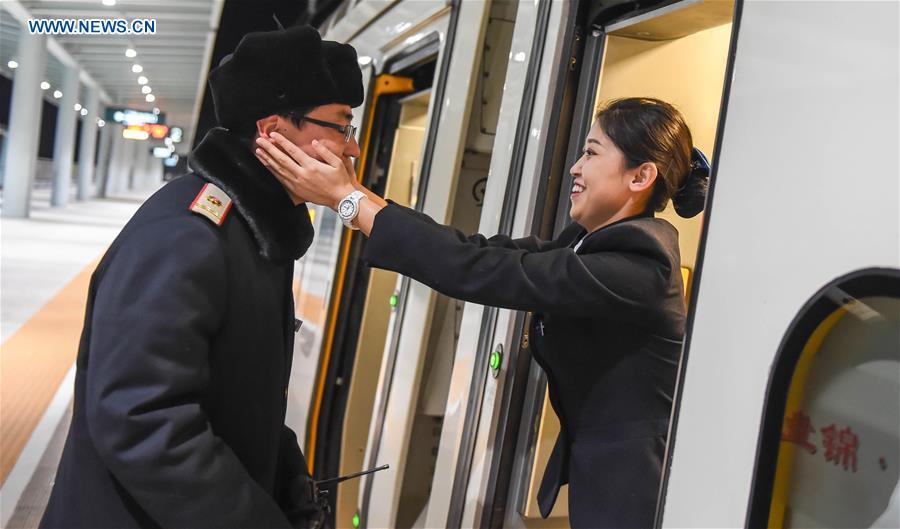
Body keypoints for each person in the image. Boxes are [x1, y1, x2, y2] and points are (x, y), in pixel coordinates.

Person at [253, 97, 710, 528]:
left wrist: (346, 201)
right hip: (610, 479)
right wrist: (356, 195)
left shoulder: (640, 266)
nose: (575, 167)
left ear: (640, 176)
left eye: (591, 153)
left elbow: (479, 270)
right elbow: (475, 250)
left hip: (636, 491)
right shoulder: (585, 243)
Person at [40, 25, 363, 529]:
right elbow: (141, 420)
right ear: (272, 130)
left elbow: (250, 403)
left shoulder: (251, 232)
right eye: (341, 126)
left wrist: (292, 493)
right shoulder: (188, 236)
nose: (353, 149)